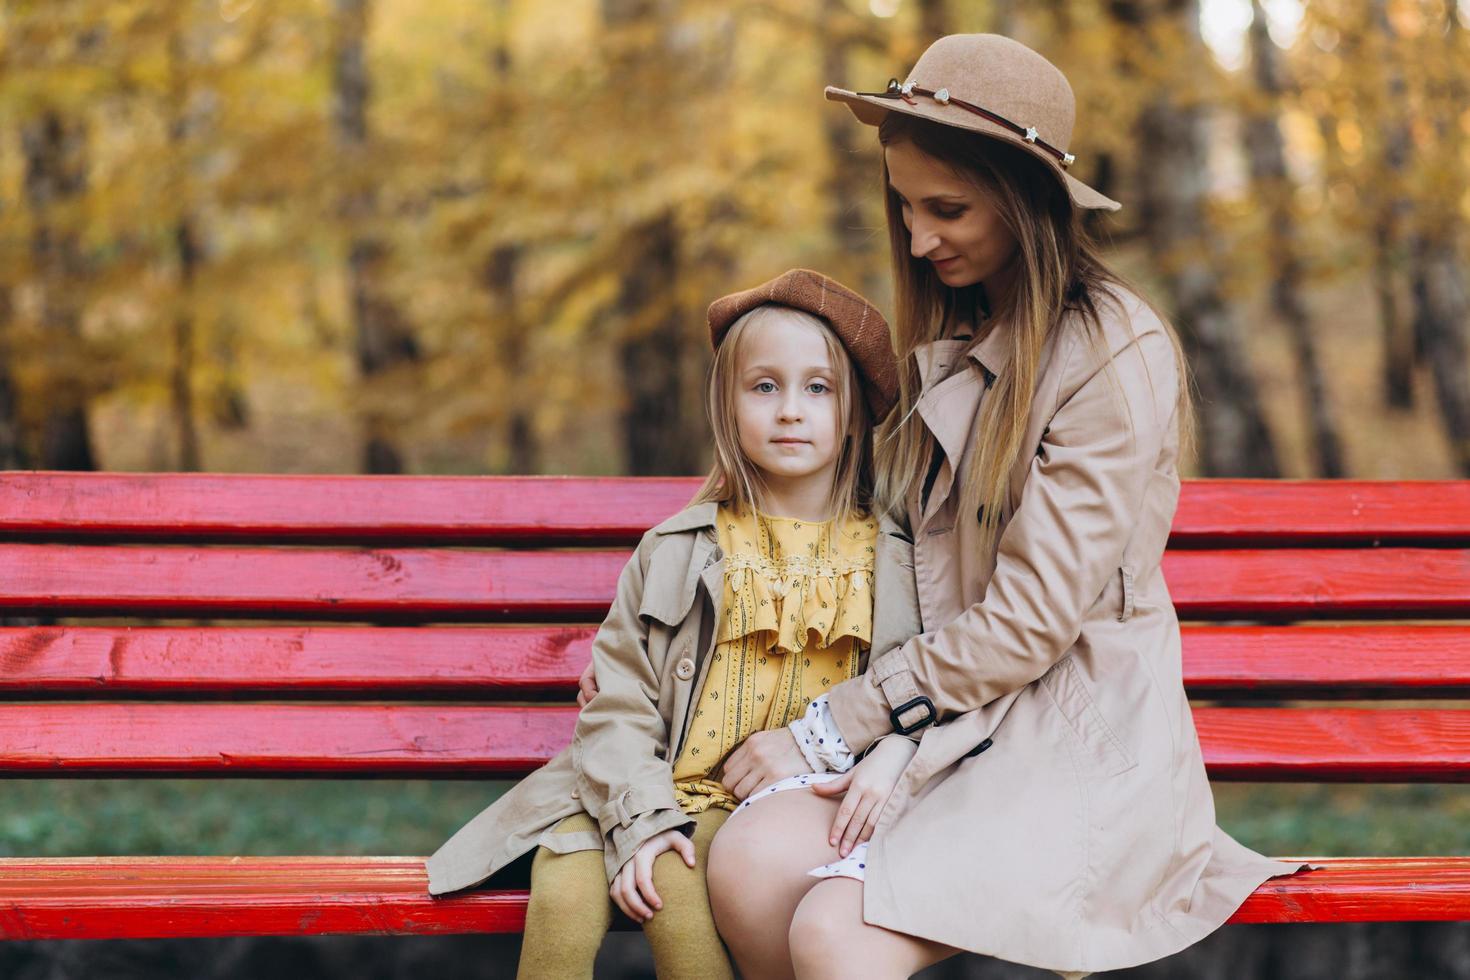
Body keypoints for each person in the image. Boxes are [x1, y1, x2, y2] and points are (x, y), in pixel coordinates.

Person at [697, 34, 1309, 980]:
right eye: (903, 205)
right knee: (742, 862)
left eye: (948, 210)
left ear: (1025, 205)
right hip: (950, 721)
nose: (916, 238)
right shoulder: (963, 331)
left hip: (1073, 739)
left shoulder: (1112, 353)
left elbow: (1028, 624)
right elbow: (880, 549)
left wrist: (839, 731)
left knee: (833, 928)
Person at [425, 268, 914, 980]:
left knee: (672, 890)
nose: (789, 411)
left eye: (818, 388)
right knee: (561, 897)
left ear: (856, 411)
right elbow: (620, 703)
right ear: (728, 405)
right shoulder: (680, 548)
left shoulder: (890, 561)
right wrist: (642, 816)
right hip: (636, 785)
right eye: (764, 386)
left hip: (770, 804)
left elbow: (907, 691)